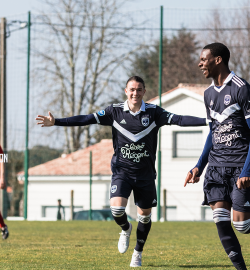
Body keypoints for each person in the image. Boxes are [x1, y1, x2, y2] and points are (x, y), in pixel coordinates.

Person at [36, 76, 206, 268]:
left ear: (144, 92)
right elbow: (87, 119)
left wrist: (208, 121)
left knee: (145, 216)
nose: (135, 93)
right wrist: (56, 121)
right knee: (117, 209)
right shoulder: (114, 111)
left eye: (139, 89)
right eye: (132, 89)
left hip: (145, 174)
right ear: (126, 91)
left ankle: (138, 253)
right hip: (121, 171)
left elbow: (180, 120)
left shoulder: (154, 112)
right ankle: (126, 229)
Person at [184, 43, 250, 270]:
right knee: (221, 222)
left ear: (217, 60)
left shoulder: (241, 88)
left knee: (242, 225)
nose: (200, 64)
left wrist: (248, 169)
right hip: (216, 168)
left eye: (203, 59)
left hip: (239, 168)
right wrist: (199, 166)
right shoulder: (207, 94)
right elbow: (212, 133)